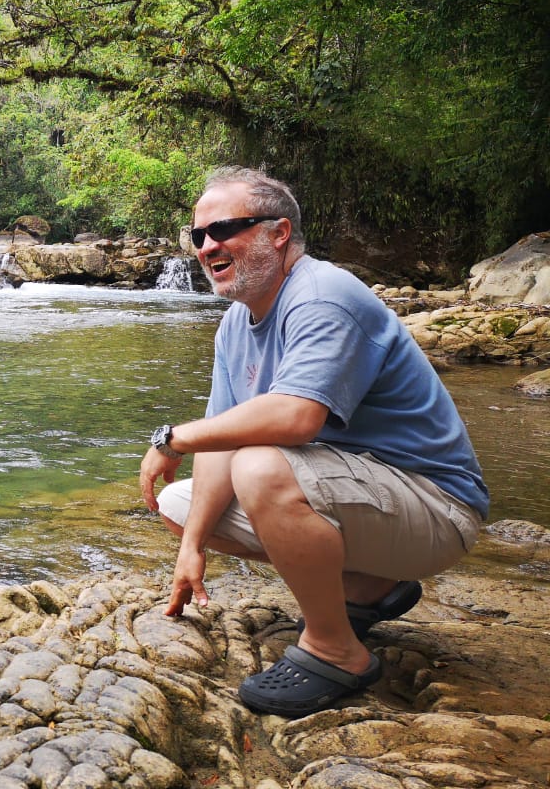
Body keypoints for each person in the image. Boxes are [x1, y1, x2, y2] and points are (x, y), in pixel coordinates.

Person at [139, 166, 488, 718]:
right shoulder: (236, 324)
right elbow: (222, 440)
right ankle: (367, 587)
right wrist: (192, 548)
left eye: (224, 228)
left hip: (438, 509)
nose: (208, 246)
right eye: (198, 236)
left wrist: (172, 438)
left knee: (261, 468)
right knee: (181, 506)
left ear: (279, 233)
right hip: (367, 501)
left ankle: (336, 651)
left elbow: (297, 418)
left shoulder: (322, 295)